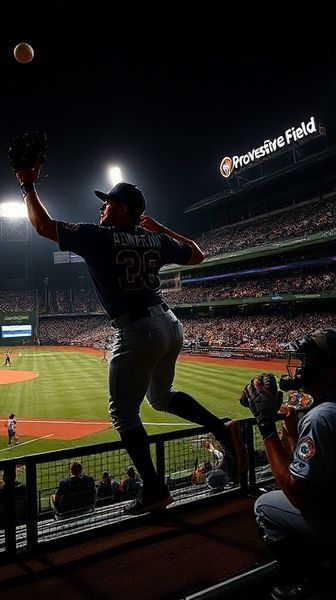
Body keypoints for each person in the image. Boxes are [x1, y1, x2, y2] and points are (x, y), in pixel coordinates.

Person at [15, 164, 245, 516]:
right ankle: (223, 431)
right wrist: (161, 229)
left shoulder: (99, 236)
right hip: (169, 324)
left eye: (107, 204)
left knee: (123, 414)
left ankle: (154, 489)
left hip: (138, 330)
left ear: (122, 209)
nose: (101, 209)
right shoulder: (155, 239)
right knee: (162, 397)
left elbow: (43, 226)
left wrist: (27, 185)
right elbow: (198, 254)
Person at [243, 329, 336, 599]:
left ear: (328, 368)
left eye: (307, 361)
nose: (301, 367)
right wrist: (294, 435)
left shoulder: (320, 417)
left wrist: (266, 426)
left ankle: (308, 577)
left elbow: (298, 494)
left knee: (265, 505)